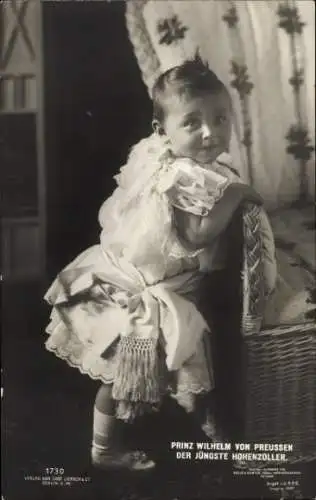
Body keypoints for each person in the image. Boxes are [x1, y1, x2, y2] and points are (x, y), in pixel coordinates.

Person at [44, 56, 276, 472]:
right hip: (144, 289)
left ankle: (204, 423)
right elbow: (196, 235)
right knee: (120, 380)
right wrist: (236, 194)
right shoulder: (182, 176)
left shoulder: (160, 155)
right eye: (192, 122)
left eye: (221, 118)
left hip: (147, 275)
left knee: (173, 363)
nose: (210, 132)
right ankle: (105, 451)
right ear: (162, 130)